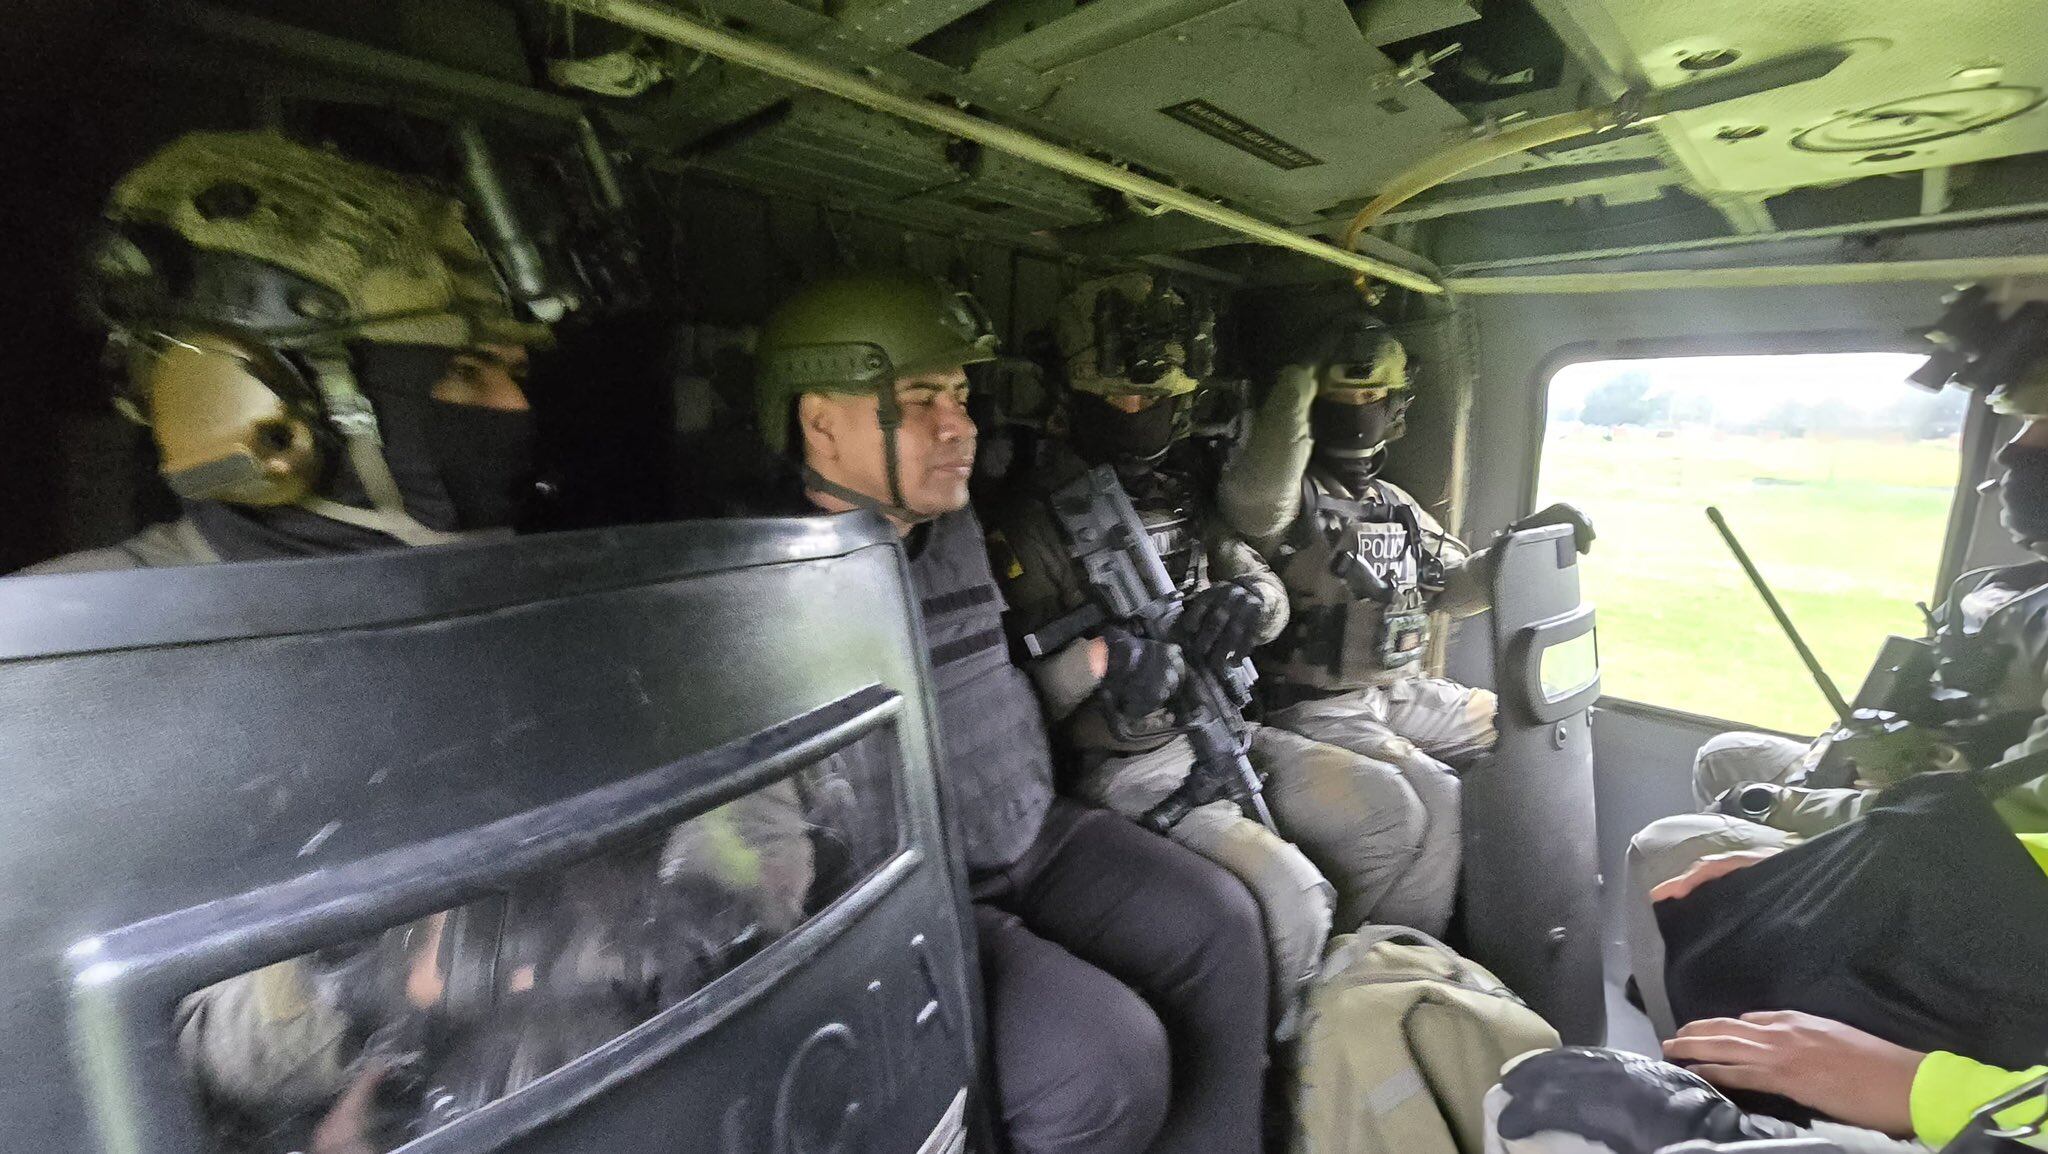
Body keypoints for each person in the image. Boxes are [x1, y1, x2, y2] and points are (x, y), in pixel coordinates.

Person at [19, 129, 810, 1154]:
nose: (517, 409)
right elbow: (89, 1065)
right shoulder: (73, 663)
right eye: (472, 370)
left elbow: (735, 802)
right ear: (268, 413)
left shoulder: (536, 593)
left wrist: (717, 885)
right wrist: (370, 967)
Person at [749, 269, 1270, 1154]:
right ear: (820, 422)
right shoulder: (761, 584)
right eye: (921, 399)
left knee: (1222, 924)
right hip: (911, 891)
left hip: (1026, 825)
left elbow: (992, 690)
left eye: (960, 394)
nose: (962, 424)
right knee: (1104, 1058)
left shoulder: (953, 534)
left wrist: (1096, 663)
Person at [997, 274, 1468, 962]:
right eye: (1121, 397)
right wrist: (1099, 660)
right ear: (1073, 400)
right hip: (1118, 762)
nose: (1141, 412)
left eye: (1160, 398)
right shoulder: (1030, 520)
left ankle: (1370, 987)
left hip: (1221, 723)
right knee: (1296, 893)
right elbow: (1005, 703)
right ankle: (1290, 1037)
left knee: (1393, 815)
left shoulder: (1185, 492)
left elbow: (1258, 577)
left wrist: (1252, 604)